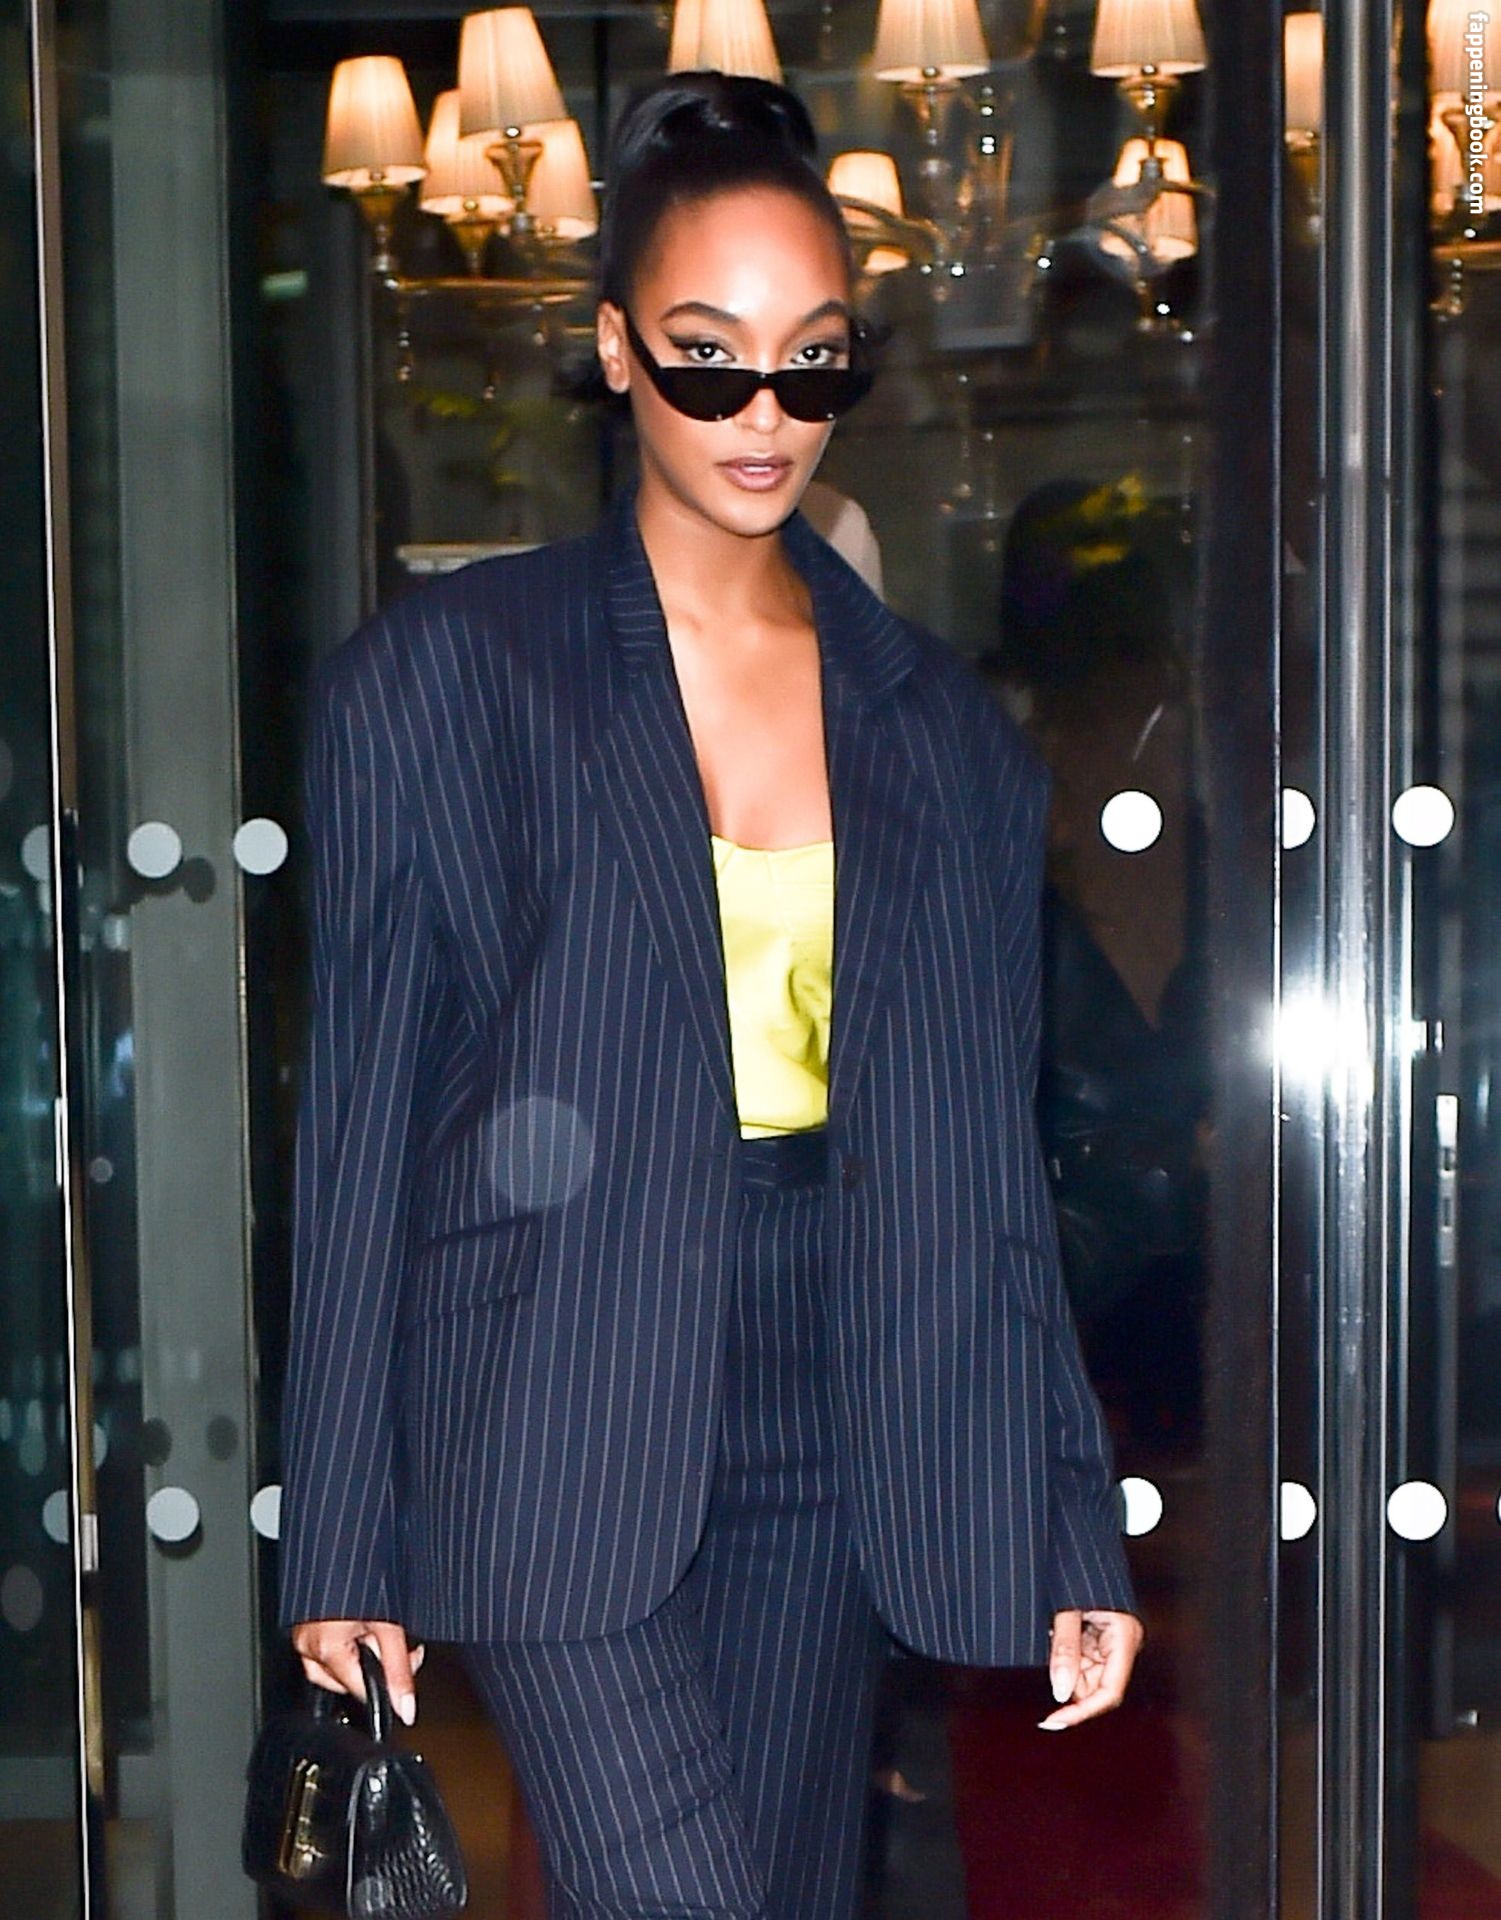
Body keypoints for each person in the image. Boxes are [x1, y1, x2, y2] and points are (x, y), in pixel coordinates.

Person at [278, 70, 1143, 1920]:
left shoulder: (942, 738)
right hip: (550, 1398)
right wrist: (336, 1525)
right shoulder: (452, 679)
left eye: (811, 363)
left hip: (844, 1406)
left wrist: (1071, 1514)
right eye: (707, 357)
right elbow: (361, 1125)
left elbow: (987, 1163)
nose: (764, 413)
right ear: (612, 351)